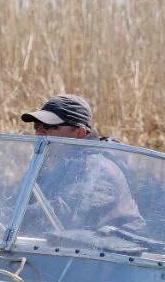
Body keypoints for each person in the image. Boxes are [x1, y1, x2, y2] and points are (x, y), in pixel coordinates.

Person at [19, 94, 143, 233]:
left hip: (113, 249)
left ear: (80, 133)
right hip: (70, 245)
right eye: (37, 126)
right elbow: (25, 201)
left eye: (49, 126)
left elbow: (66, 209)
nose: (40, 133)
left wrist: (11, 215)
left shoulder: (99, 169)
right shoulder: (54, 165)